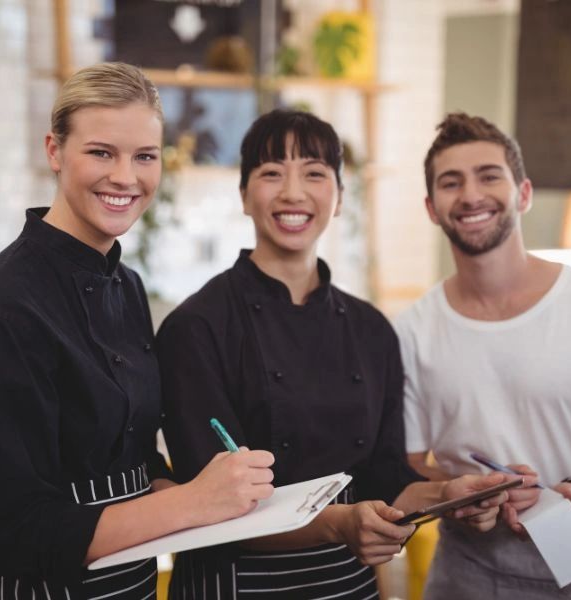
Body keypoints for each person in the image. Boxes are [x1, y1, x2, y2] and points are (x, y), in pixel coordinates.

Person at [0, 62, 275, 600]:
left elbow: (133, 460)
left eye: (144, 156)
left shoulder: (128, 286)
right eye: (101, 152)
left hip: (130, 584)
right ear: (54, 151)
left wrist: (217, 494)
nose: (126, 177)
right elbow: (20, 533)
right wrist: (191, 503)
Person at [156, 109, 511, 599]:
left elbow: (387, 479)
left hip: (346, 584)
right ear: (243, 196)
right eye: (271, 173)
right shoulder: (196, 328)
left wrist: (447, 494)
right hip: (235, 585)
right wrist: (338, 523)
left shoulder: (371, 331)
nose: (293, 193)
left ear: (340, 197)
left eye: (315, 174)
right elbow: (211, 508)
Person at [394, 112, 571, 599]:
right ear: (431, 207)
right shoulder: (410, 330)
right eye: (451, 182)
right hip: (462, 573)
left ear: (522, 193)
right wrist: (459, 492)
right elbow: (410, 462)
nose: (470, 195)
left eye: (488, 176)